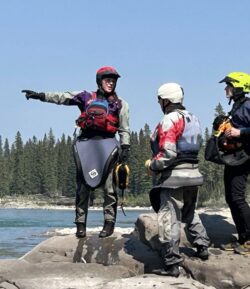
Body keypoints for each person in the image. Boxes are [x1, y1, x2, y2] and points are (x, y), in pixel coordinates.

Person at [22, 66, 130, 238]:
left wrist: (125, 147)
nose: (111, 82)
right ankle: (80, 224)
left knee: (109, 188)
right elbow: (62, 97)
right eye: (107, 79)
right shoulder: (86, 97)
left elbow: (124, 129)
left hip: (108, 145)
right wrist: (40, 96)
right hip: (86, 145)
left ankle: (109, 224)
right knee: (83, 187)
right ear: (99, 81)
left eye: (113, 80)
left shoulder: (121, 104)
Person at [145, 83, 210, 277]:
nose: (159, 103)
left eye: (159, 100)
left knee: (168, 218)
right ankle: (202, 246)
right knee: (189, 212)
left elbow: (168, 153)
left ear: (166, 100)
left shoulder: (169, 120)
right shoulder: (193, 118)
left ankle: (171, 263)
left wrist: (152, 165)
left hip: (175, 177)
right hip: (193, 174)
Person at [218, 72, 250, 255]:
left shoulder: (247, 105)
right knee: (231, 197)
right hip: (234, 157)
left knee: (237, 197)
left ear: (239, 87)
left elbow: (243, 130)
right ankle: (243, 238)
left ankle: (249, 240)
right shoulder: (237, 106)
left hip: (245, 156)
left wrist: (241, 132)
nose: (225, 88)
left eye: (228, 85)